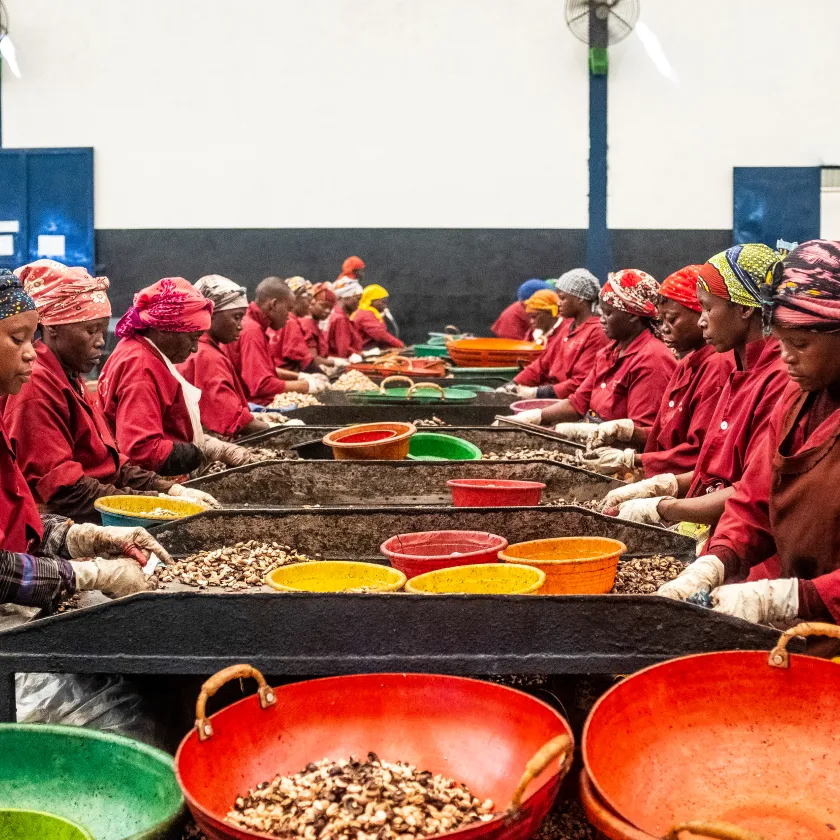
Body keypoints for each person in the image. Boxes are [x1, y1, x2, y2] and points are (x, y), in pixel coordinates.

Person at [657, 240, 840, 627]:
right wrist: (716, 560)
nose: (785, 355)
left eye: (801, 343)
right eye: (782, 340)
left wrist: (791, 597)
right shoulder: (798, 399)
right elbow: (754, 498)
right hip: (799, 622)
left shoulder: (782, 384)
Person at [0, 270, 174, 610]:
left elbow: (17, 524)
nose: (31, 353)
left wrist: (83, 538)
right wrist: (85, 574)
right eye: (17, 339)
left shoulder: (68, 380)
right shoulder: (34, 391)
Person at [4, 261, 215, 520]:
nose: (101, 342)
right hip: (66, 521)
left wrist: (165, 488)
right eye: (90, 331)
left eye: (103, 331)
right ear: (53, 328)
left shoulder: (70, 377)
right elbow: (66, 491)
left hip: (93, 506)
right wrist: (152, 503)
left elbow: (110, 463)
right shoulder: (36, 386)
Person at [603, 245, 789, 527]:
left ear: (743, 309)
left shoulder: (770, 378)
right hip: (715, 521)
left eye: (707, 308)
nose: (703, 320)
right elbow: (713, 469)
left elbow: (754, 492)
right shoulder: (737, 370)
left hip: (739, 535)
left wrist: (664, 505)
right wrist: (661, 486)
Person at [577, 266, 733, 476]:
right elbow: (667, 435)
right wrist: (629, 432)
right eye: (662, 321)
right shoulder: (688, 363)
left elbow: (699, 454)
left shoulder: (715, 367)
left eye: (672, 319)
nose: (664, 328)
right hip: (661, 471)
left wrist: (632, 460)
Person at [99, 277, 253, 476]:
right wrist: (199, 452)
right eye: (193, 338)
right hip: (151, 483)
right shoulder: (140, 367)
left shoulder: (142, 352)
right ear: (164, 330)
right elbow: (142, 451)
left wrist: (202, 443)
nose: (195, 347)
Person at [514, 270, 676, 438]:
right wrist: (536, 417)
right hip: (596, 439)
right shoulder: (609, 353)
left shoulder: (652, 359)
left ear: (633, 315)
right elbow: (578, 403)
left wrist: (593, 431)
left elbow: (643, 431)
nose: (602, 319)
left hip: (619, 455)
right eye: (602, 313)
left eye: (608, 313)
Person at [178, 275, 271, 440]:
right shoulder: (206, 356)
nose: (240, 326)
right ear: (211, 314)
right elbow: (231, 419)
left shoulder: (200, 349)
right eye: (236, 317)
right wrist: (276, 427)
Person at [507, 269, 607, 399]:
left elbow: (581, 382)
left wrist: (536, 393)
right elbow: (541, 365)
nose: (558, 303)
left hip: (571, 403)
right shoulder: (568, 328)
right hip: (555, 396)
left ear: (580, 299)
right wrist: (512, 384)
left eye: (563, 298)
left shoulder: (597, 332)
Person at [227, 276, 322, 405]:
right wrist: (306, 385)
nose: (289, 316)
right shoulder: (252, 330)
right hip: (253, 407)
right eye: (288, 309)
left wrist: (299, 376)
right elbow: (261, 385)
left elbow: (263, 371)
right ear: (274, 304)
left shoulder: (254, 325)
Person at [352, 284, 405, 351]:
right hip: (363, 351)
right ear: (371, 301)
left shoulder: (368, 312)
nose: (385, 306)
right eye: (383, 302)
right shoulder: (366, 314)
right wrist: (401, 345)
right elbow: (380, 335)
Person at [327, 276, 365, 360]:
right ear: (346, 296)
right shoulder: (340, 319)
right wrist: (360, 354)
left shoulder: (337, 315)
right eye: (357, 299)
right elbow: (343, 351)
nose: (359, 303)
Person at [306, 283, 335, 360]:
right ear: (312, 302)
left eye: (330, 308)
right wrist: (334, 362)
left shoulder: (315, 324)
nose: (328, 311)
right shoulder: (307, 324)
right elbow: (312, 359)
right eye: (323, 306)